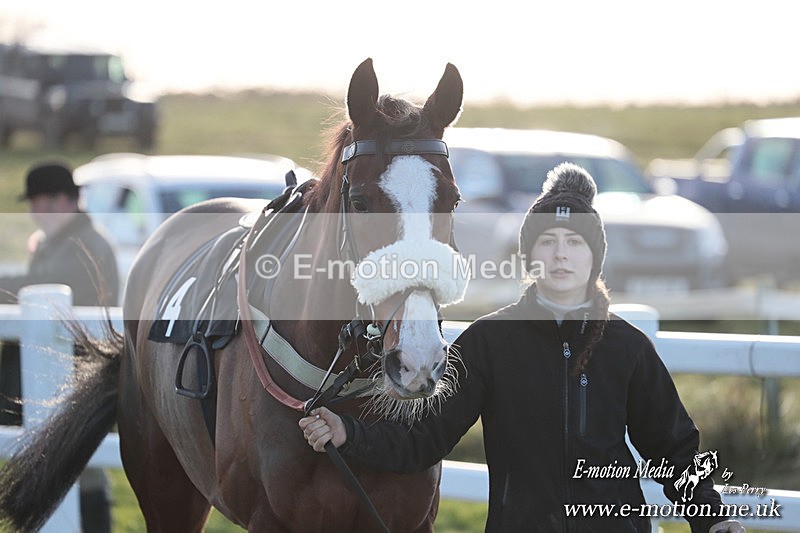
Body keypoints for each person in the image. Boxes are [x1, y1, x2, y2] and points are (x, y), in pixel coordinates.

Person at [300, 163, 745, 532]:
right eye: (547, 242)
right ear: (531, 256)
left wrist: (712, 518)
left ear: (594, 256)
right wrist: (348, 433)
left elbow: (674, 449)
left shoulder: (626, 346)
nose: (561, 255)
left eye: (575, 242)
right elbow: (423, 439)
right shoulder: (489, 342)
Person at [0, 160, 118, 533]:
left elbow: (41, 285)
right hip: (55, 369)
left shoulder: (86, 245)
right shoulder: (58, 242)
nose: (37, 213)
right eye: (35, 204)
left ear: (64, 200)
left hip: (77, 373)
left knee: (82, 467)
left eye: (42, 203)